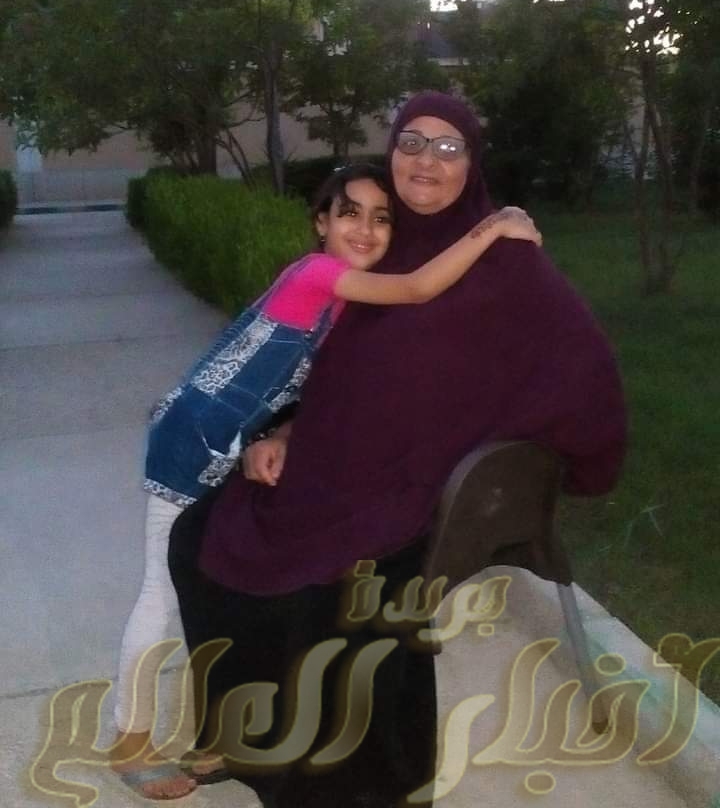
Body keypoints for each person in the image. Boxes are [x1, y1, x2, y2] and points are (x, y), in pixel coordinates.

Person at [167, 92, 627, 807]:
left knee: (325, 593)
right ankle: (242, 738)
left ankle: (350, 790)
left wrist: (547, 462)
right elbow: (332, 374)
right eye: (413, 142)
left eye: (449, 147)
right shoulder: (383, 248)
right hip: (326, 467)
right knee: (200, 535)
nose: (427, 161)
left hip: (411, 488)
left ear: (472, 164)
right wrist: (280, 432)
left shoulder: (508, 259)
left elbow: (585, 366)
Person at [110, 161, 541, 800]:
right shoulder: (315, 275)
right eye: (349, 213)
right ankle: (129, 740)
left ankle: (220, 735)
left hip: (233, 441)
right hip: (192, 438)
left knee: (214, 578)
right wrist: (494, 227)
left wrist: (282, 437)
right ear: (320, 222)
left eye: (381, 218)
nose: (364, 229)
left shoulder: (348, 302)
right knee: (161, 590)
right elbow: (418, 288)